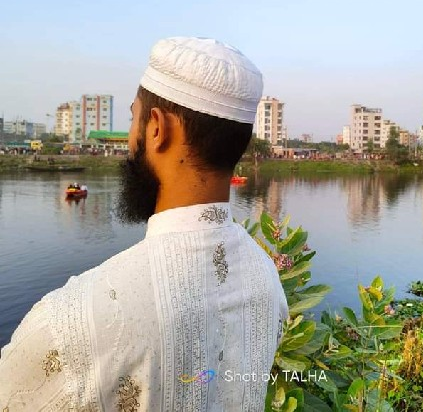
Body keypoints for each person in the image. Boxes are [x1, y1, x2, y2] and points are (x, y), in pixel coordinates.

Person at [0, 37, 288, 411]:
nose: (130, 138)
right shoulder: (267, 281)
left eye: (133, 118)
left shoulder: (73, 320)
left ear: (156, 128)